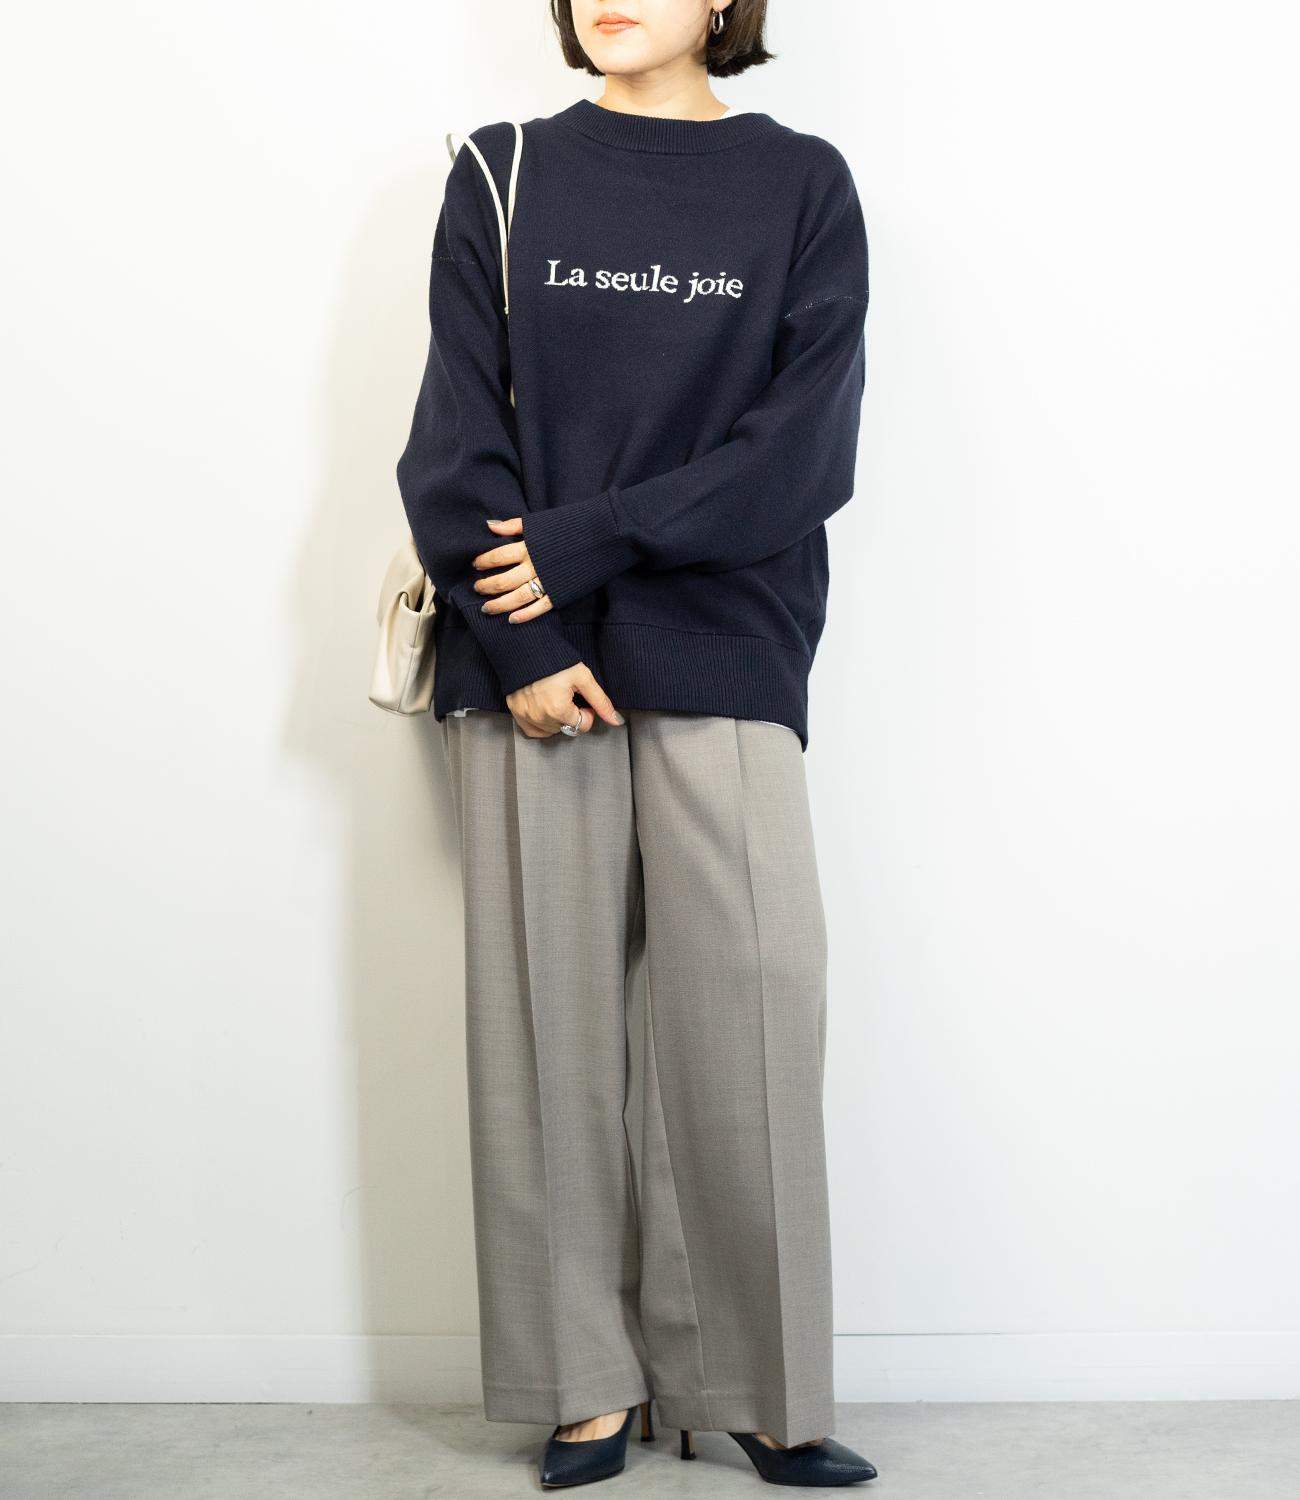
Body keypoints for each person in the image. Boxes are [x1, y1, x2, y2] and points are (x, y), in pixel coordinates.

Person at [395, 0, 876, 1487]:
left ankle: (760, 1386)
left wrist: (587, 539)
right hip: (531, 657)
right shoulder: (502, 171)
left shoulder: (801, 183)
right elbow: (455, 436)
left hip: (727, 638)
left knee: (755, 1007)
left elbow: (802, 453)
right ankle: (581, 1384)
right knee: (547, 1027)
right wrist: (526, 643)